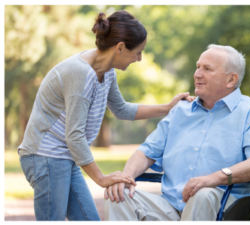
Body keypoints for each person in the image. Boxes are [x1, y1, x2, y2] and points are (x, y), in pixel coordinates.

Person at [17, 10, 195, 221]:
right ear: (120, 47)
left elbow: (121, 109)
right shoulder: (80, 73)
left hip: (67, 157)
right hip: (45, 155)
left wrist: (168, 107)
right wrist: (101, 178)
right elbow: (74, 135)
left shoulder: (107, 71)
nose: (139, 58)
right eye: (138, 52)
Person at [103, 44, 250, 221]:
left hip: (224, 208)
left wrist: (214, 179)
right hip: (171, 206)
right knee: (117, 196)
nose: (197, 74)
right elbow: (147, 151)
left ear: (231, 80)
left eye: (207, 69)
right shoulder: (181, 111)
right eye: (198, 67)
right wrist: (126, 177)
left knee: (203, 193)